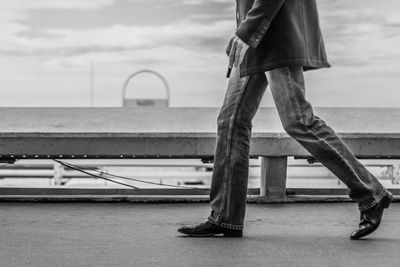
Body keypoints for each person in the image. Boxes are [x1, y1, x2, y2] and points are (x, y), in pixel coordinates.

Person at [178, 0, 393, 239]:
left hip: (275, 37)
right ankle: (224, 216)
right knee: (231, 122)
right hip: (257, 40)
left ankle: (371, 193)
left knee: (298, 120)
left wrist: (247, 30)